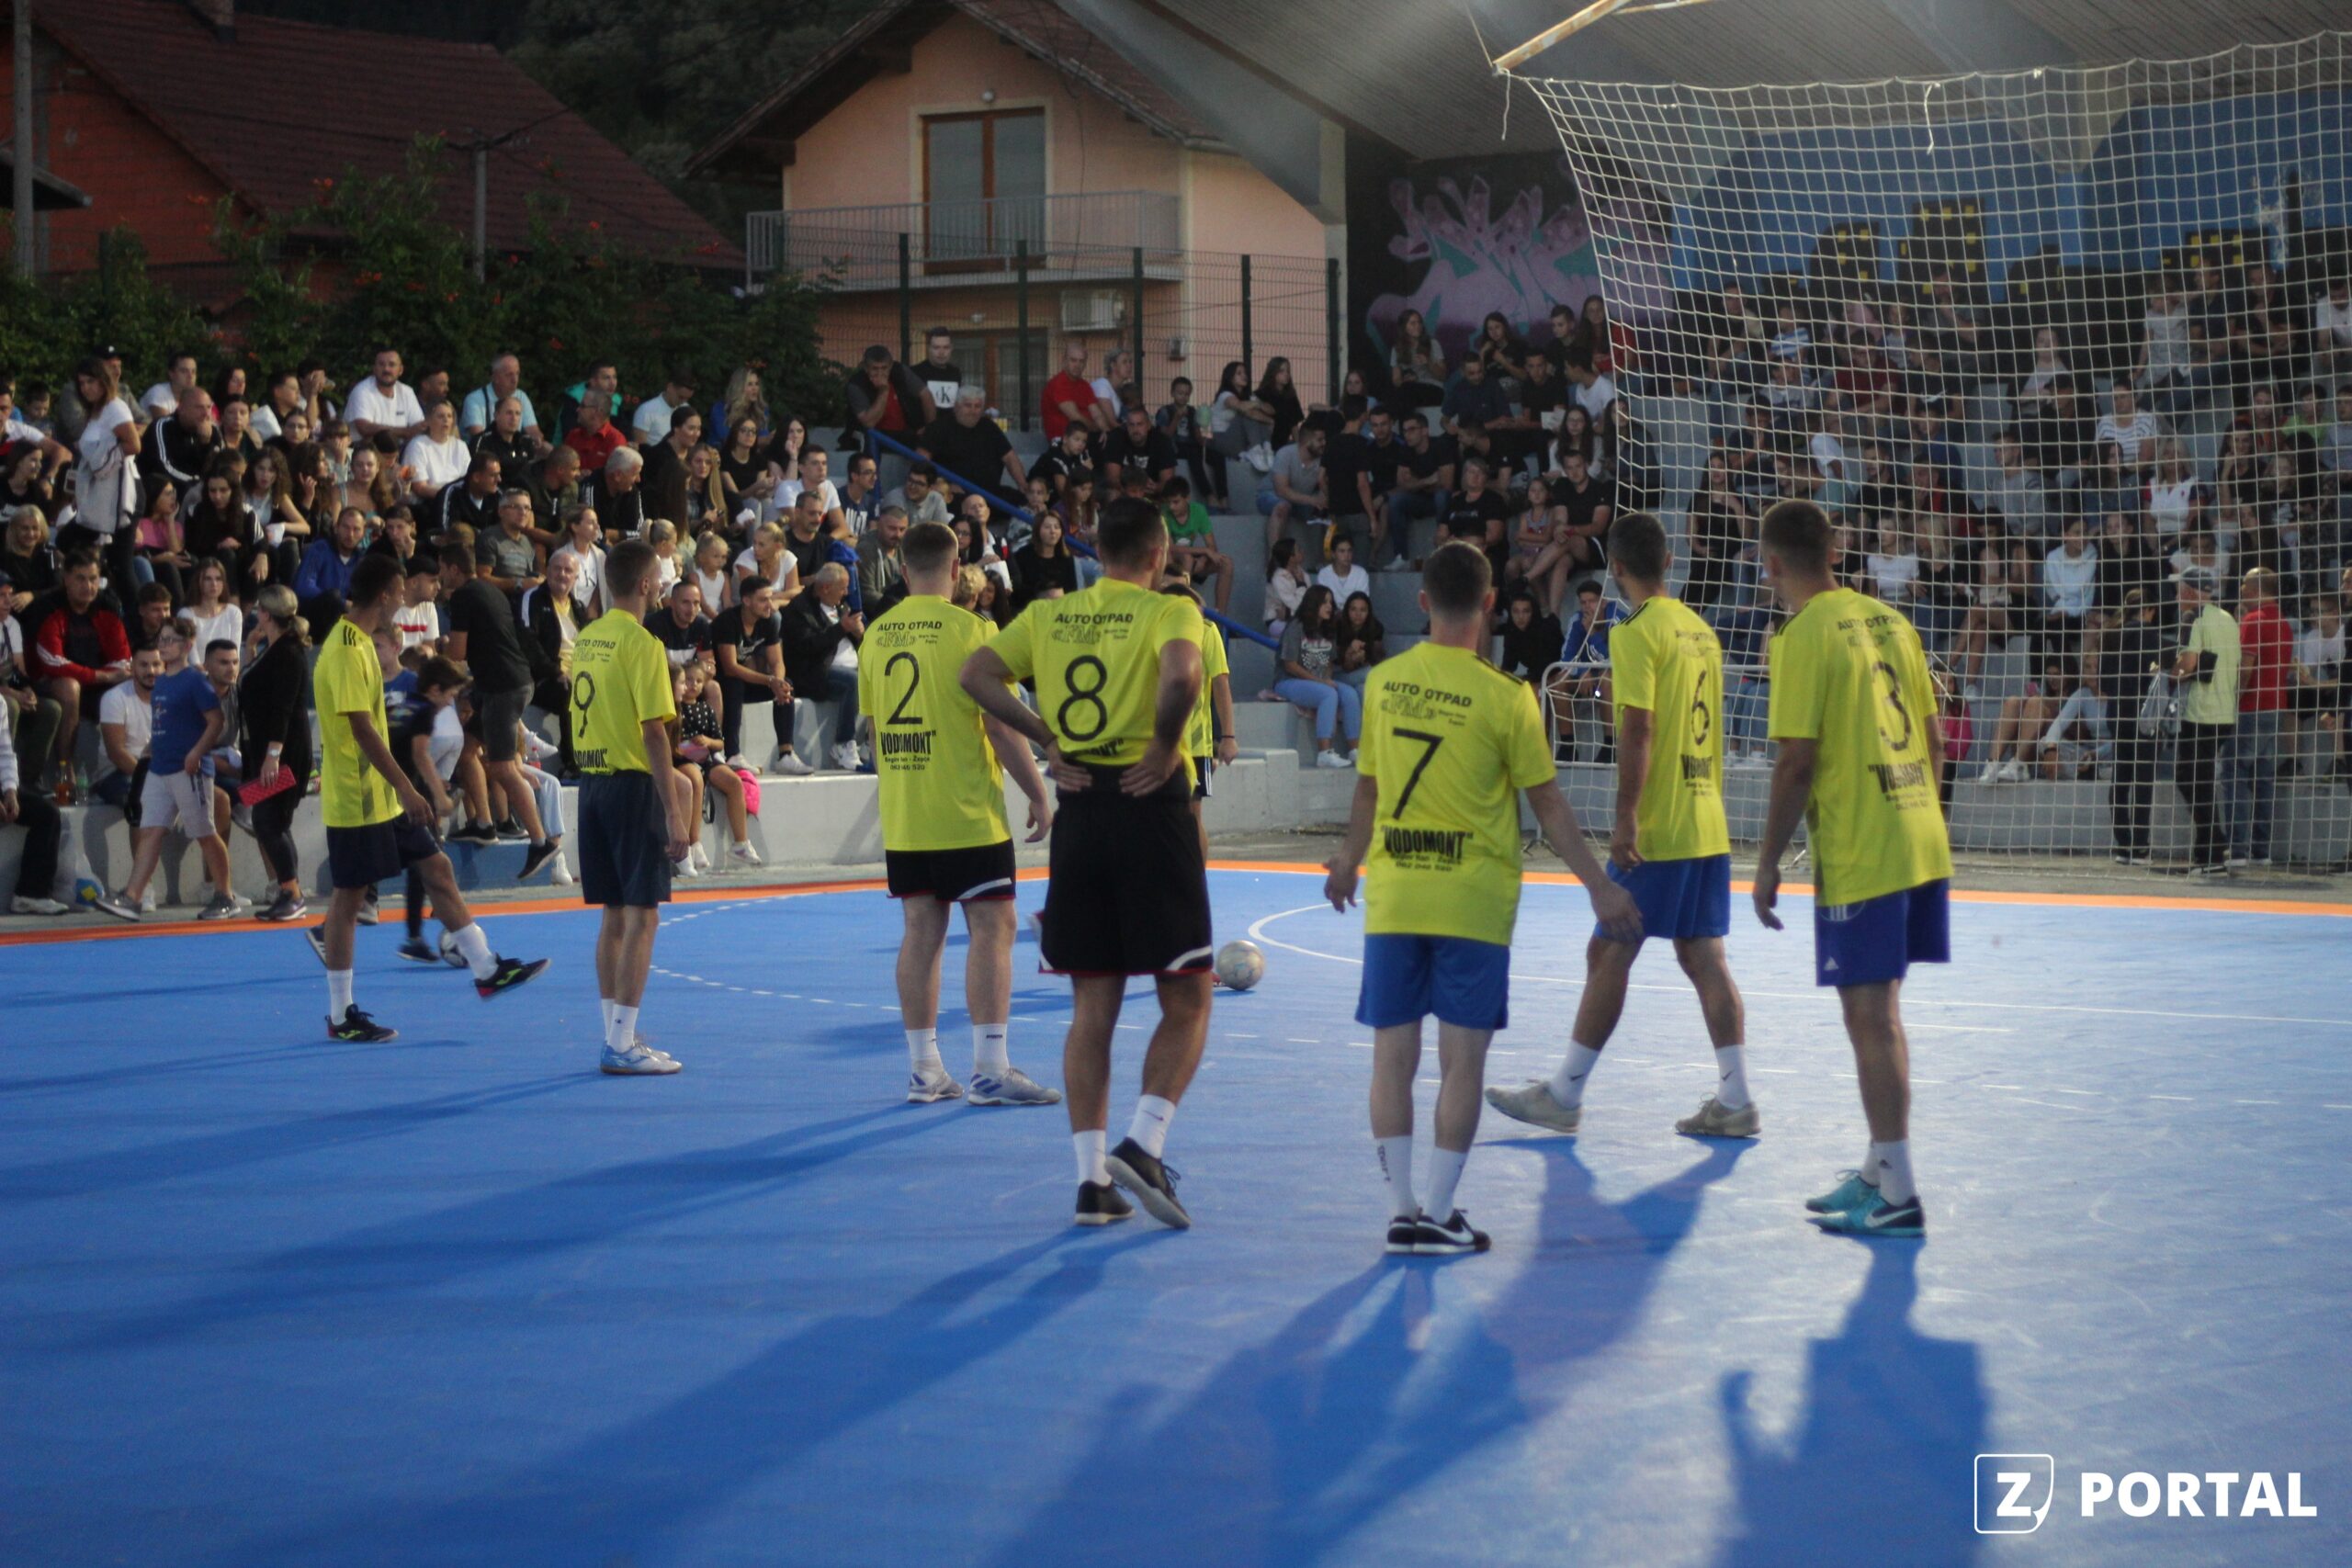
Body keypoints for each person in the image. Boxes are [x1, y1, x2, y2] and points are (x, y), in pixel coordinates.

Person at [1323, 541, 1640, 1256]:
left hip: (1397, 897)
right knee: (1461, 1063)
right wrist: (1599, 887)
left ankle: (1401, 1211)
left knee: (1391, 1058)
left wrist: (1347, 862)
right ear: (1491, 603)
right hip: (1472, 902)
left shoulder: (1385, 682)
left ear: (1423, 602)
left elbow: (1368, 788)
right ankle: (1439, 1211)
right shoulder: (1507, 696)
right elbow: (1548, 805)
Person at [958, 495, 1212, 1231]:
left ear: (1097, 553)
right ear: (1159, 554)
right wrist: (1163, 745)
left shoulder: (1050, 615)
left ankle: (1091, 1183)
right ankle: (1146, 1142)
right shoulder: (1169, 610)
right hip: (1148, 802)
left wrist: (1046, 738)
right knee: (1188, 996)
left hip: (1082, 809)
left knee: (1092, 1008)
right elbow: (1183, 675)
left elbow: (976, 675)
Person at [1490, 511, 1754, 1145]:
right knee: (1703, 956)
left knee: (1610, 947)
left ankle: (1564, 1095)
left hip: (1662, 822)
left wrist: (1626, 816)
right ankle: (1736, 1099)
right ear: (1668, 562)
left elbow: (1638, 726)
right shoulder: (1700, 630)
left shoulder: (1634, 631)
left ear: (1615, 569)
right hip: (1707, 817)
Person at [1750, 499, 1951, 1238]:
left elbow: (1795, 762)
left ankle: (1899, 1195)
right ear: (1833, 550)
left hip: (1864, 845)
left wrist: (1766, 863)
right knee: (1877, 1011)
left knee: (1870, 1017)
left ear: (1772, 563)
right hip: (1917, 830)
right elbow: (1935, 739)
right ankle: (1877, 1170)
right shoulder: (1892, 620)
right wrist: (1918, 816)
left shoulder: (1801, 634)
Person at [298, 555, 546, 1039]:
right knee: (348, 901)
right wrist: (407, 786)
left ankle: (485, 967)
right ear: (386, 594)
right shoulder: (346, 650)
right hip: (360, 797)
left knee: (437, 867)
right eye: (401, 590)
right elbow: (362, 729)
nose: (405, 597)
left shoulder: (359, 643)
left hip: (380, 795)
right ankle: (341, 1014)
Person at [859, 520, 1058, 1104]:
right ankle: (991, 1068)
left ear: (902, 570)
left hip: (907, 811)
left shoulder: (876, 635)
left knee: (921, 932)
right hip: (966, 808)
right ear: (955, 568)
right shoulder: (974, 629)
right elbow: (999, 724)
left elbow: (875, 731)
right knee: (993, 927)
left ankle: (925, 1070)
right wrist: (1037, 792)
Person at [563, 540, 691, 1074]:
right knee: (643, 915)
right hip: (631, 786)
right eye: (659, 578)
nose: (662, 585)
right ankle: (620, 1044)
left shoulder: (588, 637)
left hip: (592, 784)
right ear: (644, 584)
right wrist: (674, 811)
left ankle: (616, 1031)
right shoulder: (642, 643)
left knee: (613, 914)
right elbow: (654, 733)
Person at [93, 637, 241, 921]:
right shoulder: (163, 686)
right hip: (160, 769)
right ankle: (133, 897)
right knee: (150, 830)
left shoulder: (194, 682)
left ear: (185, 647)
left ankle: (225, 895)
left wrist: (196, 753)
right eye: (163, 640)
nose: (164, 647)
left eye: (170, 642)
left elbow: (216, 722)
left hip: (189, 770)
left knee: (206, 832)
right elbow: (160, 731)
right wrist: (147, 766)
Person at [440, 548, 561, 877]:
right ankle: (484, 823)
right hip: (511, 682)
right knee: (467, 749)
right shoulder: (491, 591)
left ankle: (540, 841)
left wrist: (437, 648)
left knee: (504, 767)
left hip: (502, 688)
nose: (441, 576)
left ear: (454, 568)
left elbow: (457, 652)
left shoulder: (463, 595)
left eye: (443, 569)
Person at [240, 585, 314, 922]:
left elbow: (283, 708)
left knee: (268, 821)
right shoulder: (273, 648)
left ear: (265, 614)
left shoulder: (288, 652)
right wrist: (250, 647)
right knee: (273, 821)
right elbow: (251, 684)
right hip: (265, 750)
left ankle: (292, 893)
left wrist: (273, 755)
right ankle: (290, 891)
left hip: (284, 752)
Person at [2168, 563, 2240, 875]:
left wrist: (2167, 671)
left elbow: (2187, 665)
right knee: (2201, 782)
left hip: (2199, 712)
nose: (2176, 595)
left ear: (2188, 591)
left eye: (2179, 589)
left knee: (2189, 780)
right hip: (2225, 711)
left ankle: (2213, 849)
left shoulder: (2192, 618)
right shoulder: (2227, 618)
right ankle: (2210, 850)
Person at [2226, 566, 2290, 869]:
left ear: (2254, 589)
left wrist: (2233, 701)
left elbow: (2246, 668)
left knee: (2234, 774)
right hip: (2276, 708)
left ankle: (2237, 849)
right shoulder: (2284, 623)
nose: (2240, 589)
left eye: (2244, 584)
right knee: (2263, 778)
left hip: (2251, 708)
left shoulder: (2253, 620)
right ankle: (2261, 850)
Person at [780, 562, 866, 772]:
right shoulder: (799, 609)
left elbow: (859, 638)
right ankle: (843, 743)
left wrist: (859, 634)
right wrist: (841, 628)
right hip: (815, 673)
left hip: (849, 666)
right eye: (843, 588)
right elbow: (808, 646)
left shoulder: (841, 606)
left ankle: (868, 742)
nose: (847, 593)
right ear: (826, 588)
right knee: (852, 681)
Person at [1276, 584, 1362, 769]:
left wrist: (1325, 679)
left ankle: (1355, 750)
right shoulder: (1296, 627)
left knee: (1350, 694)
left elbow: (1329, 663)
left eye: (1331, 602)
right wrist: (1321, 682)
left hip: (1318, 680)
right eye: (1325, 602)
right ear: (1313, 603)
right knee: (1328, 693)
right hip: (1289, 681)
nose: (1329, 606)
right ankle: (1324, 753)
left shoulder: (1328, 629)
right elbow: (1290, 665)